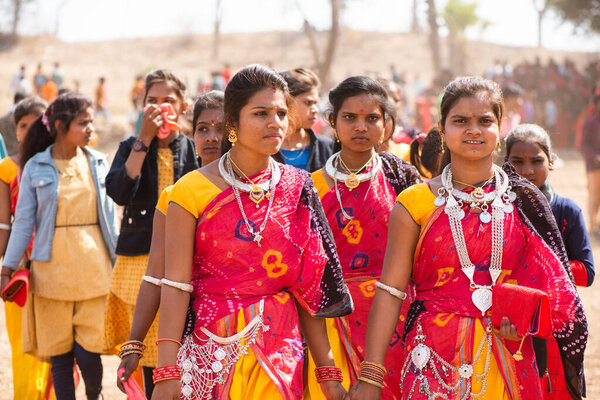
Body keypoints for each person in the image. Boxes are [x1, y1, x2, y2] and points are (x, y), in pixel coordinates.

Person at [348, 76, 587, 400]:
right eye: (460, 121)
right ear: (443, 130)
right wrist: (372, 377)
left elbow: (551, 288)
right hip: (432, 359)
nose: (473, 130)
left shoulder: (524, 201)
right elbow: (391, 292)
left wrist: (522, 310)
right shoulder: (414, 203)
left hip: (508, 358)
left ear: (499, 131)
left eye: (484, 121)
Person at [151, 64, 352, 400]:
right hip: (210, 352)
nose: (274, 122)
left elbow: (308, 288)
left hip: (280, 354)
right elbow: (175, 284)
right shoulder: (190, 191)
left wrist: (328, 374)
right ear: (233, 123)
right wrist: (166, 372)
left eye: (280, 113)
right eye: (260, 113)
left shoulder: (298, 186)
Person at [307, 76, 420, 399]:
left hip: (395, 322)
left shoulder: (402, 179)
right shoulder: (310, 187)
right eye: (349, 118)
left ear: (386, 124)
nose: (361, 126)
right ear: (332, 122)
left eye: (372, 118)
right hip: (331, 322)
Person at [0, 92, 119, 400]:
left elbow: (110, 218)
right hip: (49, 273)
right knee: (60, 355)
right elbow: (23, 222)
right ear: (59, 125)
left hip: (94, 271)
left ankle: (94, 395)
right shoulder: (35, 166)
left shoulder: (99, 162)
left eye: (91, 121)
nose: (91, 128)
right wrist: (8, 267)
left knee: (91, 353)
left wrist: (118, 261)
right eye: (83, 123)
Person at [116, 90, 225, 396]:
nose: (211, 137)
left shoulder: (259, 193)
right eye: (203, 129)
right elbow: (155, 275)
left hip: (256, 333)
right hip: (194, 334)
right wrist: (134, 344)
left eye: (221, 128)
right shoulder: (177, 196)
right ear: (191, 135)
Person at [103, 69, 199, 396]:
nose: (160, 108)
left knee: (177, 342)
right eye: (152, 101)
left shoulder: (194, 147)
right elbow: (118, 191)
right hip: (137, 263)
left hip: (183, 261)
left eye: (168, 101)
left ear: (183, 106)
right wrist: (142, 139)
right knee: (144, 343)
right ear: (142, 106)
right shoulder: (131, 146)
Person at [505, 123, 594, 399]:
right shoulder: (496, 208)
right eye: (517, 162)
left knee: (554, 389)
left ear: (552, 161)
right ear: (504, 164)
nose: (527, 170)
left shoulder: (566, 210)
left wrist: (546, 269)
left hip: (555, 322)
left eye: (537, 161)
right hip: (510, 321)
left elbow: (587, 272)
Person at [0, 97, 54, 399]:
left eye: (36, 123)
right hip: (21, 268)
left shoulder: (63, 162)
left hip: (58, 265)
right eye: (23, 125)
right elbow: (4, 224)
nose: (30, 129)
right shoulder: (7, 168)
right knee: (23, 344)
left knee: (59, 345)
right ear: (16, 131)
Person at [274, 68, 333, 172]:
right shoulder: (266, 148)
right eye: (308, 103)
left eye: (316, 103)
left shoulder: (326, 148)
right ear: (286, 102)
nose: (315, 110)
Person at [581, 95, 600, 237]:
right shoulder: (590, 122)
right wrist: (594, 157)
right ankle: (593, 226)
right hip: (594, 166)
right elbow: (584, 144)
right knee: (595, 195)